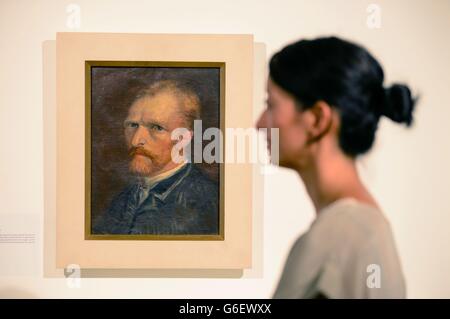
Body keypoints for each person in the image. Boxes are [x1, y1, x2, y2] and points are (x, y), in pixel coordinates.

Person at [256, 37, 416, 298]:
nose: (259, 124)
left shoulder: (347, 234)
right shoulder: (357, 230)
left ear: (317, 119)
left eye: (271, 105)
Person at [93, 80, 219, 235]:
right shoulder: (121, 199)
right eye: (132, 125)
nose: (136, 140)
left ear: (184, 138)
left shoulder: (208, 202)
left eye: (156, 127)